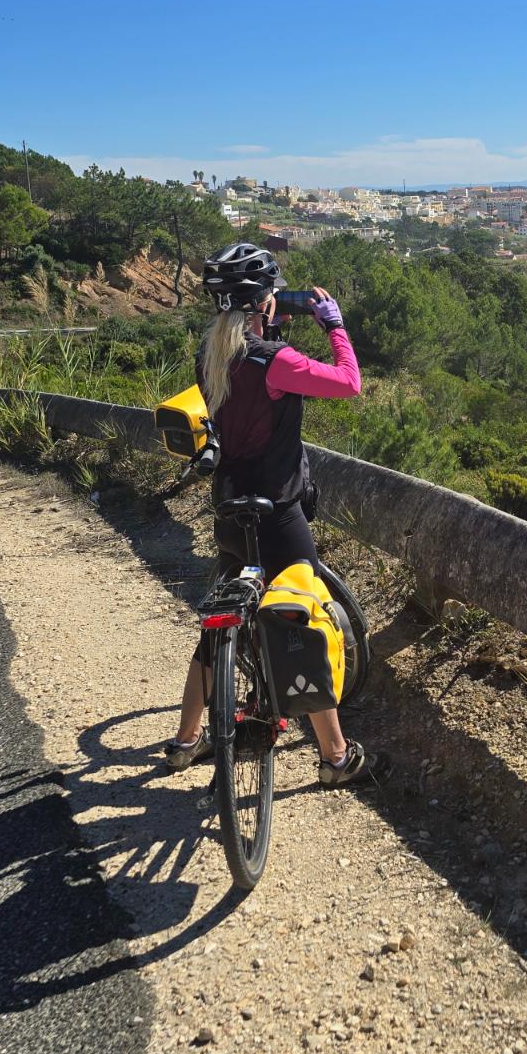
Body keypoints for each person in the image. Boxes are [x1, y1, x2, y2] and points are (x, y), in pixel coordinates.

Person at [164, 240, 389, 788]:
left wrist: (277, 311)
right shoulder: (278, 362)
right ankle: (336, 757)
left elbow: (243, 379)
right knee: (298, 620)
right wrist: (334, 325)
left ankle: (185, 741)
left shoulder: (211, 353)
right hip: (279, 513)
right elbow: (349, 381)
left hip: (228, 506)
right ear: (264, 303)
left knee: (218, 628)